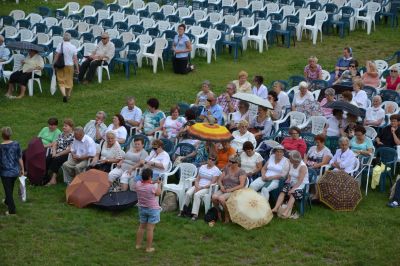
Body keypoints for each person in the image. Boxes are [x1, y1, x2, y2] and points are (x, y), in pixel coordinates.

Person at [181, 155, 221, 220]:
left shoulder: (216, 170)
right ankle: (183, 210)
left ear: (215, 161)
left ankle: (195, 214)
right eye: (209, 158)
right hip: (198, 185)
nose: (210, 160)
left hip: (207, 188)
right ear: (207, 159)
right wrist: (197, 186)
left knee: (197, 195)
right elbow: (197, 178)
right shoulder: (202, 167)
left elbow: (212, 182)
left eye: (212, 159)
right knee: (188, 193)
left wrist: (201, 187)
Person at [271, 150, 309, 218]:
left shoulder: (302, 166)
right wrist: (288, 179)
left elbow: (300, 180)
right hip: (292, 182)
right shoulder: (292, 163)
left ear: (294, 159)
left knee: (293, 193)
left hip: (302, 185)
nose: (289, 158)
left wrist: (293, 189)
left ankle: (286, 211)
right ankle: (276, 208)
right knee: (283, 191)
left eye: (290, 158)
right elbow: (290, 173)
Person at [212, 154, 247, 223]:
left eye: (232, 162)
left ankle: (227, 214)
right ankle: (219, 211)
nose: (230, 163)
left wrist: (230, 190)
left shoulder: (241, 172)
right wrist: (221, 186)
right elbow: (219, 180)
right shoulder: (226, 168)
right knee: (214, 197)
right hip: (224, 188)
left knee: (221, 199)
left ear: (237, 163)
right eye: (230, 161)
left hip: (234, 190)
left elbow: (241, 185)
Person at [134, 168, 162, 253]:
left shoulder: (138, 184)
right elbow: (158, 193)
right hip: (153, 210)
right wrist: (159, 184)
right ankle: (148, 248)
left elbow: (146, 183)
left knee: (142, 227)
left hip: (142, 208)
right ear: (150, 177)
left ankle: (138, 245)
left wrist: (153, 182)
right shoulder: (152, 187)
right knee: (150, 229)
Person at [0, 127, 24, 215]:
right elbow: (19, 157)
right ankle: (6, 201)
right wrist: (22, 168)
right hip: (15, 171)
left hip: (5, 173)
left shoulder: (1, 147)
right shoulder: (16, 144)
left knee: (8, 191)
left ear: (2, 135)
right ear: (10, 134)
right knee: (10, 188)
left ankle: (12, 210)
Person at [45, 119, 74, 186]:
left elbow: (69, 149)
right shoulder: (61, 134)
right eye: (63, 126)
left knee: (57, 160)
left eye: (66, 126)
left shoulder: (73, 136)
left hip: (67, 154)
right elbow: (55, 144)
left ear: (71, 127)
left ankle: (53, 178)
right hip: (57, 152)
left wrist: (58, 154)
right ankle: (45, 175)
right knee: (48, 158)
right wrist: (54, 153)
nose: (63, 127)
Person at [53, 32, 79, 103]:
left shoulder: (60, 45)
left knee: (61, 81)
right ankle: (68, 95)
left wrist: (54, 63)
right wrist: (77, 68)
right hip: (70, 65)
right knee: (69, 81)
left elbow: (57, 55)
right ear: (70, 38)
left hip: (60, 65)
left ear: (63, 38)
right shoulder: (73, 47)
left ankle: (64, 95)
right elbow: (75, 59)